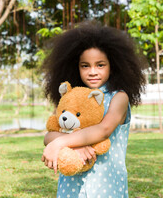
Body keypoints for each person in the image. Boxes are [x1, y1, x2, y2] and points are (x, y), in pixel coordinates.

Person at [41, 21, 145, 198]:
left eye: (100, 65)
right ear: (76, 67)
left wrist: (61, 142)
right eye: (85, 65)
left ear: (113, 65)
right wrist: (75, 147)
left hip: (106, 185)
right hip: (72, 184)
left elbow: (103, 130)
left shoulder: (118, 97)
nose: (92, 71)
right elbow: (49, 135)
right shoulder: (71, 96)